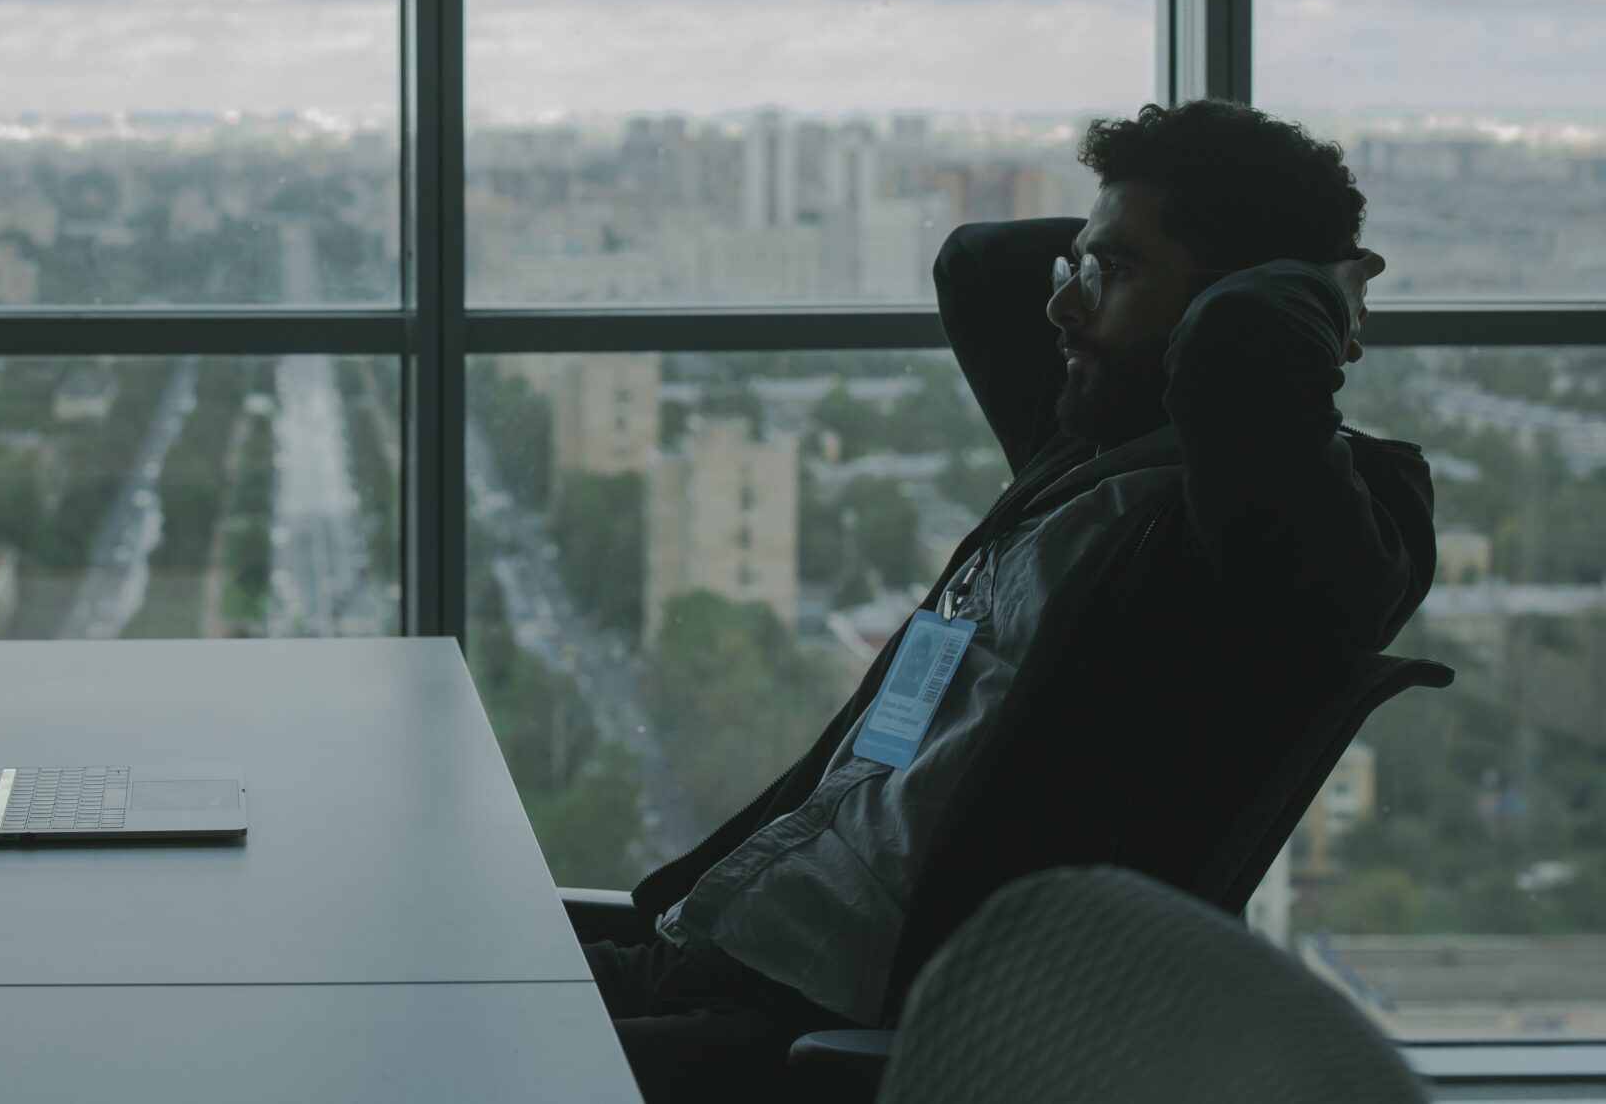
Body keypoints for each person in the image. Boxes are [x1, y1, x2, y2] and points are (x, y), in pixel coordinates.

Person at [582, 99, 1436, 1103]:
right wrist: (1116, 259)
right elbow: (978, 264)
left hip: (806, 1039)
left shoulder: (1272, 545)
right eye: (1082, 268)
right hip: (706, 953)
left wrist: (1304, 287)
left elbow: (1239, 348)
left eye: (1111, 275)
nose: (1062, 307)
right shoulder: (1082, 455)